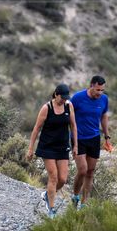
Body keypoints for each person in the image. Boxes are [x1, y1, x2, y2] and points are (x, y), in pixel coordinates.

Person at [27, 84, 78, 219]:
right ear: (56, 94)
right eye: (62, 97)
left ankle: (47, 194)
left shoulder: (69, 106)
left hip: (62, 146)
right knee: (53, 177)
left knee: (62, 179)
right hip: (47, 146)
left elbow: (73, 126)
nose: (63, 100)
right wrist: (30, 148)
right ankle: (51, 209)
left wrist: (75, 145)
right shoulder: (47, 108)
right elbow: (36, 128)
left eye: (66, 97)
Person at [70, 75, 110, 209]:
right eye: (98, 90)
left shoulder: (104, 99)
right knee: (82, 170)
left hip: (94, 138)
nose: (100, 93)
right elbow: (68, 116)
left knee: (90, 171)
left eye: (102, 90)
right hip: (78, 138)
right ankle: (75, 195)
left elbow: (104, 116)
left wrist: (107, 137)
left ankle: (84, 203)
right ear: (91, 85)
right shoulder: (77, 98)